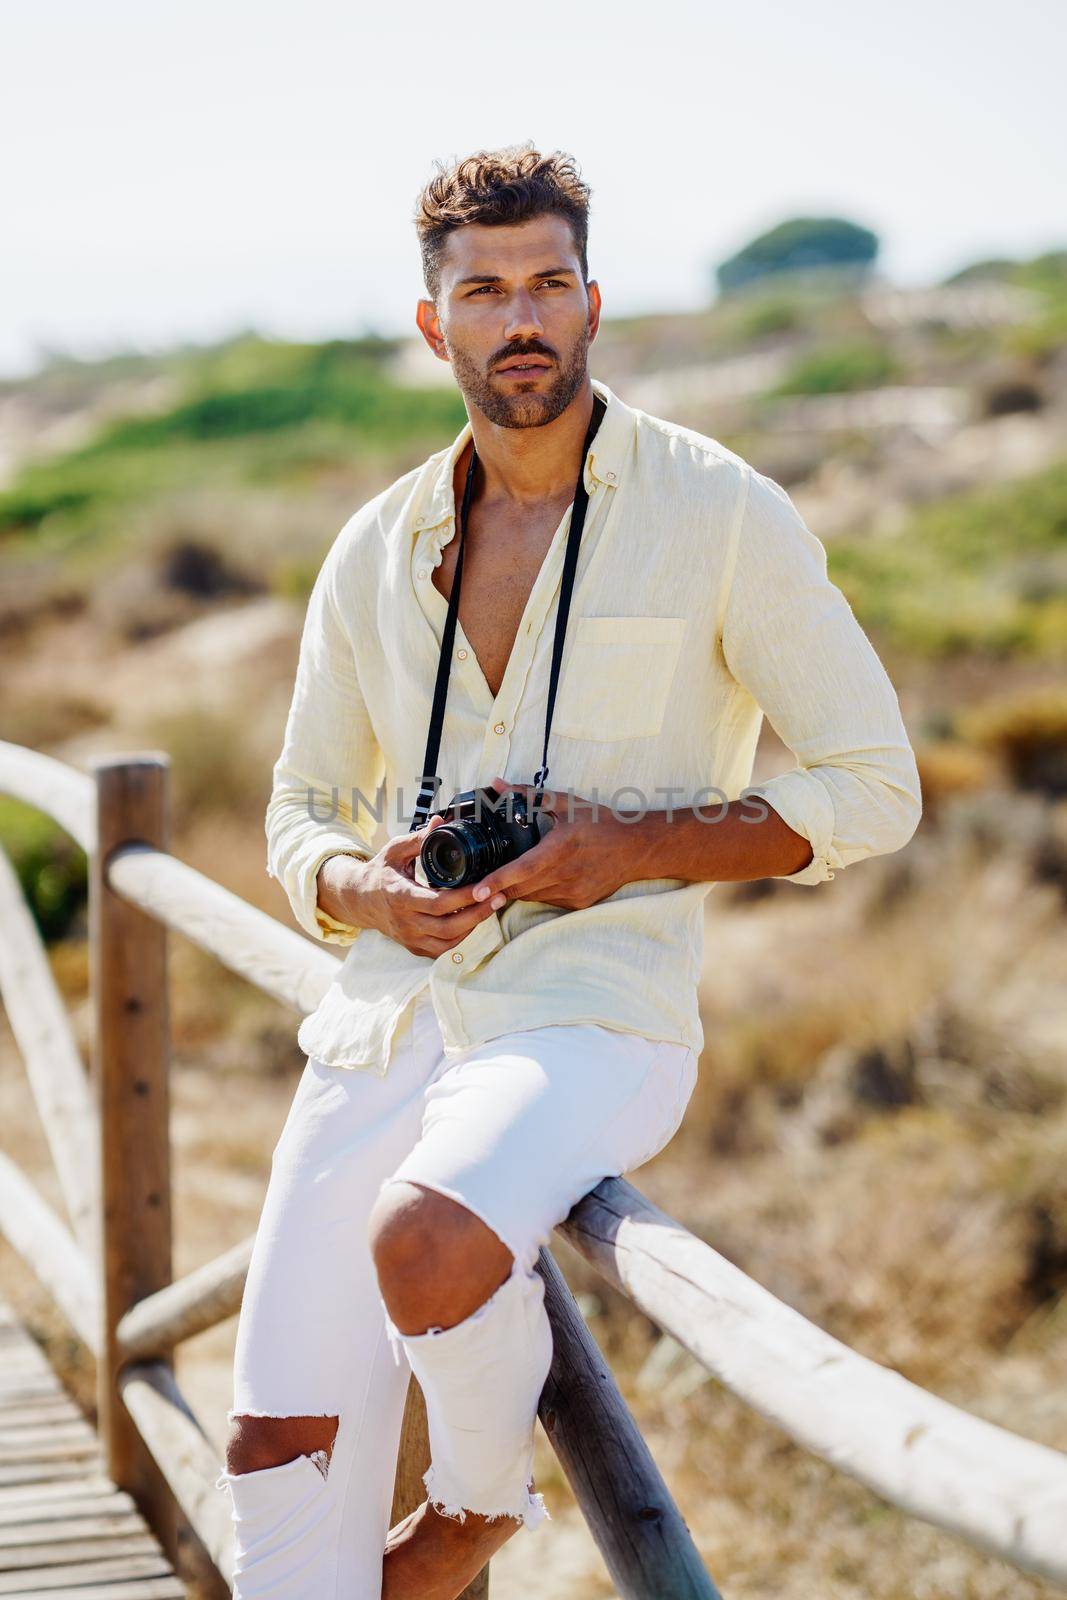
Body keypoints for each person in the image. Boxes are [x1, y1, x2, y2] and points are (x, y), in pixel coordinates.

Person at [214, 142, 923, 1599]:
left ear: (593, 302)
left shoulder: (719, 512)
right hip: (386, 1010)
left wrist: (628, 847)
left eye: (548, 284)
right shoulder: (376, 545)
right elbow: (298, 811)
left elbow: (876, 789)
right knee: (275, 1442)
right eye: (483, 291)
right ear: (435, 326)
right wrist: (367, 885)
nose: (519, 317)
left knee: (426, 1238)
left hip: (596, 1016)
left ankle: (481, 1506)